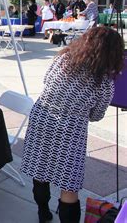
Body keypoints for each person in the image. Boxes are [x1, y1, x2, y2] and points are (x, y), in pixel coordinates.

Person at [20, 26, 125, 223]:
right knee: (68, 184)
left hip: (42, 117)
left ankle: (43, 213)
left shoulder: (62, 60)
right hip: (71, 129)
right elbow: (97, 115)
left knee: (40, 170)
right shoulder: (103, 81)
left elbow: (46, 81)